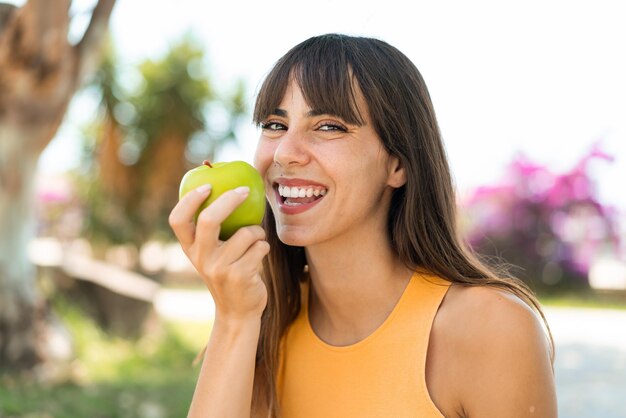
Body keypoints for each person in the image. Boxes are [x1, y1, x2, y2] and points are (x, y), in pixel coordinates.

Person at [169, 33, 557, 418]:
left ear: (398, 165)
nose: (285, 153)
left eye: (329, 126)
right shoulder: (265, 324)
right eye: (274, 124)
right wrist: (234, 318)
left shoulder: (492, 328)